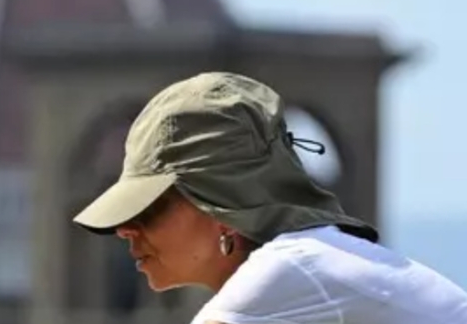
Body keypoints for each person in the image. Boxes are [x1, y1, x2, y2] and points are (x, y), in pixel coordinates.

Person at [73, 71, 467, 324]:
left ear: (222, 201)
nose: (125, 230)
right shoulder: (307, 262)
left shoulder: (283, 271)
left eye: (149, 208)